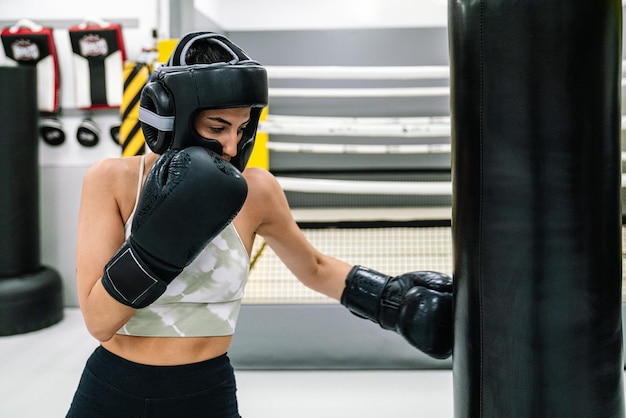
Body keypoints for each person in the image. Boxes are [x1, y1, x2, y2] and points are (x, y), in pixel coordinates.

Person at [67, 32, 453, 418]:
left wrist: (390, 301)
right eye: (217, 128)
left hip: (207, 394)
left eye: (242, 128)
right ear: (171, 119)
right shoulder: (113, 181)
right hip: (114, 392)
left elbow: (314, 268)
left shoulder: (257, 190)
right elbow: (100, 322)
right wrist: (160, 244)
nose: (232, 147)